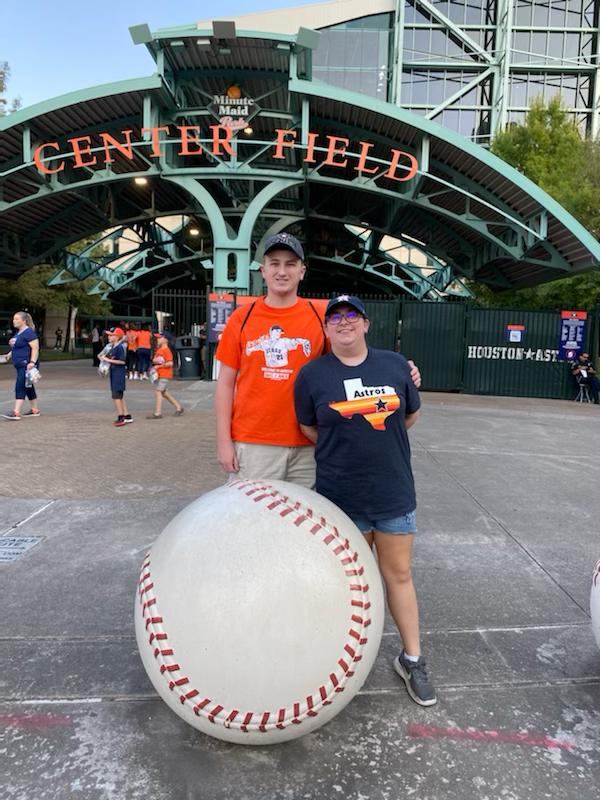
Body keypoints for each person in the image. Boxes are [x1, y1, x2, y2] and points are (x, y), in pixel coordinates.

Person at [294, 295, 436, 707]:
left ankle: (412, 658)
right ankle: (337, 663)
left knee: (399, 576)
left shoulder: (394, 365)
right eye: (334, 318)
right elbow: (308, 428)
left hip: (392, 491)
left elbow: (408, 415)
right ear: (326, 329)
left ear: (365, 324)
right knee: (343, 586)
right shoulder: (312, 375)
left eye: (351, 315)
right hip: (341, 498)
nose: (343, 322)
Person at [215, 232, 421, 486]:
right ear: (263, 271)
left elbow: (351, 358)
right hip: (255, 442)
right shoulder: (242, 317)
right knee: (254, 521)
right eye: (275, 263)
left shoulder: (319, 315)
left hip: (310, 444)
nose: (282, 271)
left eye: (290, 264)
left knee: (305, 522)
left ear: (302, 271)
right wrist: (224, 441)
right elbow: (225, 383)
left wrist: (400, 371)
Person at [1, 311, 41, 420]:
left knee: (20, 386)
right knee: (28, 387)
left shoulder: (29, 333)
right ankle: (34, 410)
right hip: (19, 364)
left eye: (17, 319)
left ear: (24, 321)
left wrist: (32, 362)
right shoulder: (19, 333)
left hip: (26, 364)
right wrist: (9, 355)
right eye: (14, 319)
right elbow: (18, 347)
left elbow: (35, 348)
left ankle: (16, 412)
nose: (14, 321)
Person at [99, 327, 133, 427]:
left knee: (116, 396)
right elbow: (107, 357)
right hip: (114, 373)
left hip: (118, 374)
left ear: (117, 337)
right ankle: (127, 416)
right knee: (119, 396)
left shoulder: (120, 347)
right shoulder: (113, 347)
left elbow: (122, 361)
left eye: (111, 335)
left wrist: (108, 360)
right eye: (109, 335)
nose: (109, 337)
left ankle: (121, 417)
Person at [147, 332, 184, 419]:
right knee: (163, 392)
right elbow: (155, 360)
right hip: (160, 374)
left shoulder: (166, 350)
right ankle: (178, 407)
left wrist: (159, 365)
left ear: (165, 340)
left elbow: (170, 363)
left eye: (160, 338)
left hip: (165, 374)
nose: (158, 339)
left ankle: (158, 413)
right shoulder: (160, 349)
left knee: (158, 391)